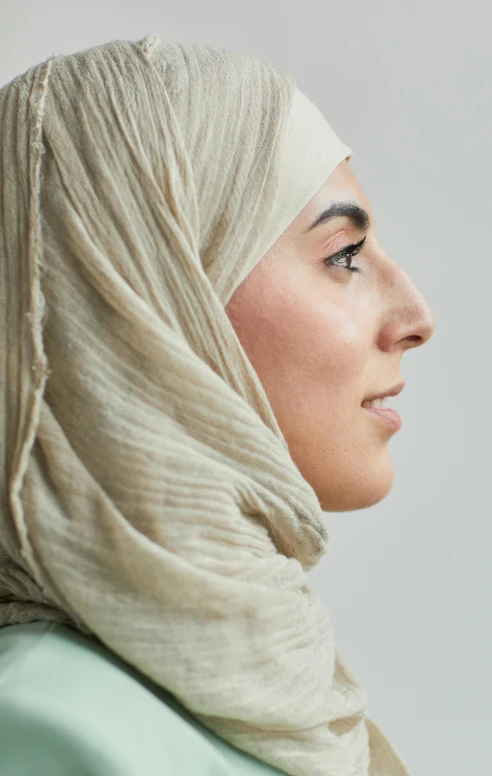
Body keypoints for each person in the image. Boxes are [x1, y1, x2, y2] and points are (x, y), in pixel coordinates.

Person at [0, 31, 434, 776]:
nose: (417, 317)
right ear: (150, 299)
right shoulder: (44, 728)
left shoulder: (285, 696)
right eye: (344, 256)